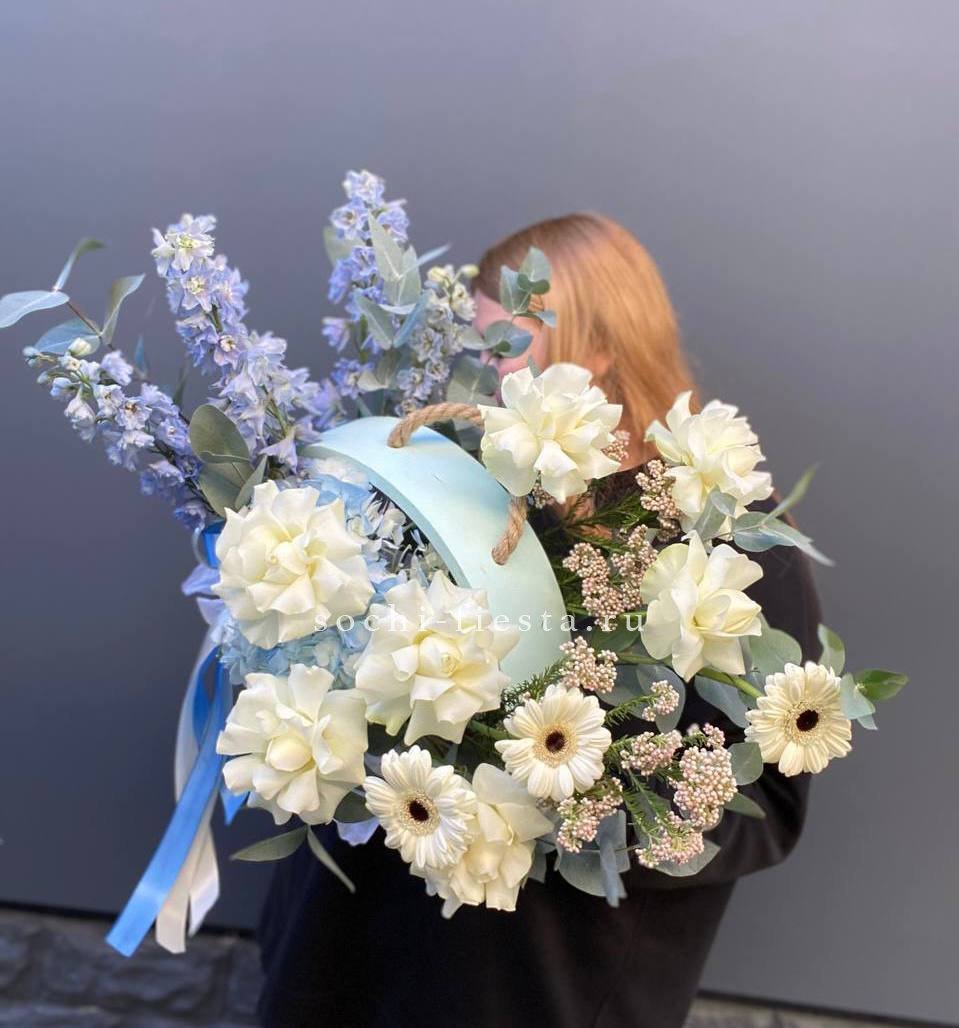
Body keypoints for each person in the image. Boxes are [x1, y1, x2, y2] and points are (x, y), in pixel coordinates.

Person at [256, 213, 819, 1027]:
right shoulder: (453, 473)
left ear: (600, 346)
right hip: (349, 948)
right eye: (479, 341)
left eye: (507, 343)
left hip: (537, 978)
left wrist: (568, 812)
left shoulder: (722, 530)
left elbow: (766, 803)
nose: (485, 368)